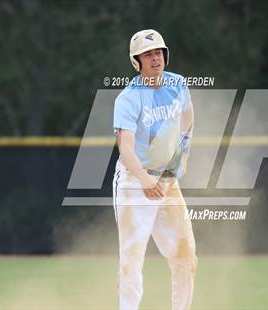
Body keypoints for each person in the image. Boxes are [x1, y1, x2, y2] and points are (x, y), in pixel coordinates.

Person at [112, 29, 197, 310]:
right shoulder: (128, 98)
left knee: (186, 258)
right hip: (134, 181)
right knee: (132, 260)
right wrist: (145, 179)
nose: (155, 58)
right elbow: (125, 149)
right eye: (148, 54)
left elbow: (187, 119)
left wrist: (181, 158)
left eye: (159, 52)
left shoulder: (178, 84)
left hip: (166, 179)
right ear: (136, 61)